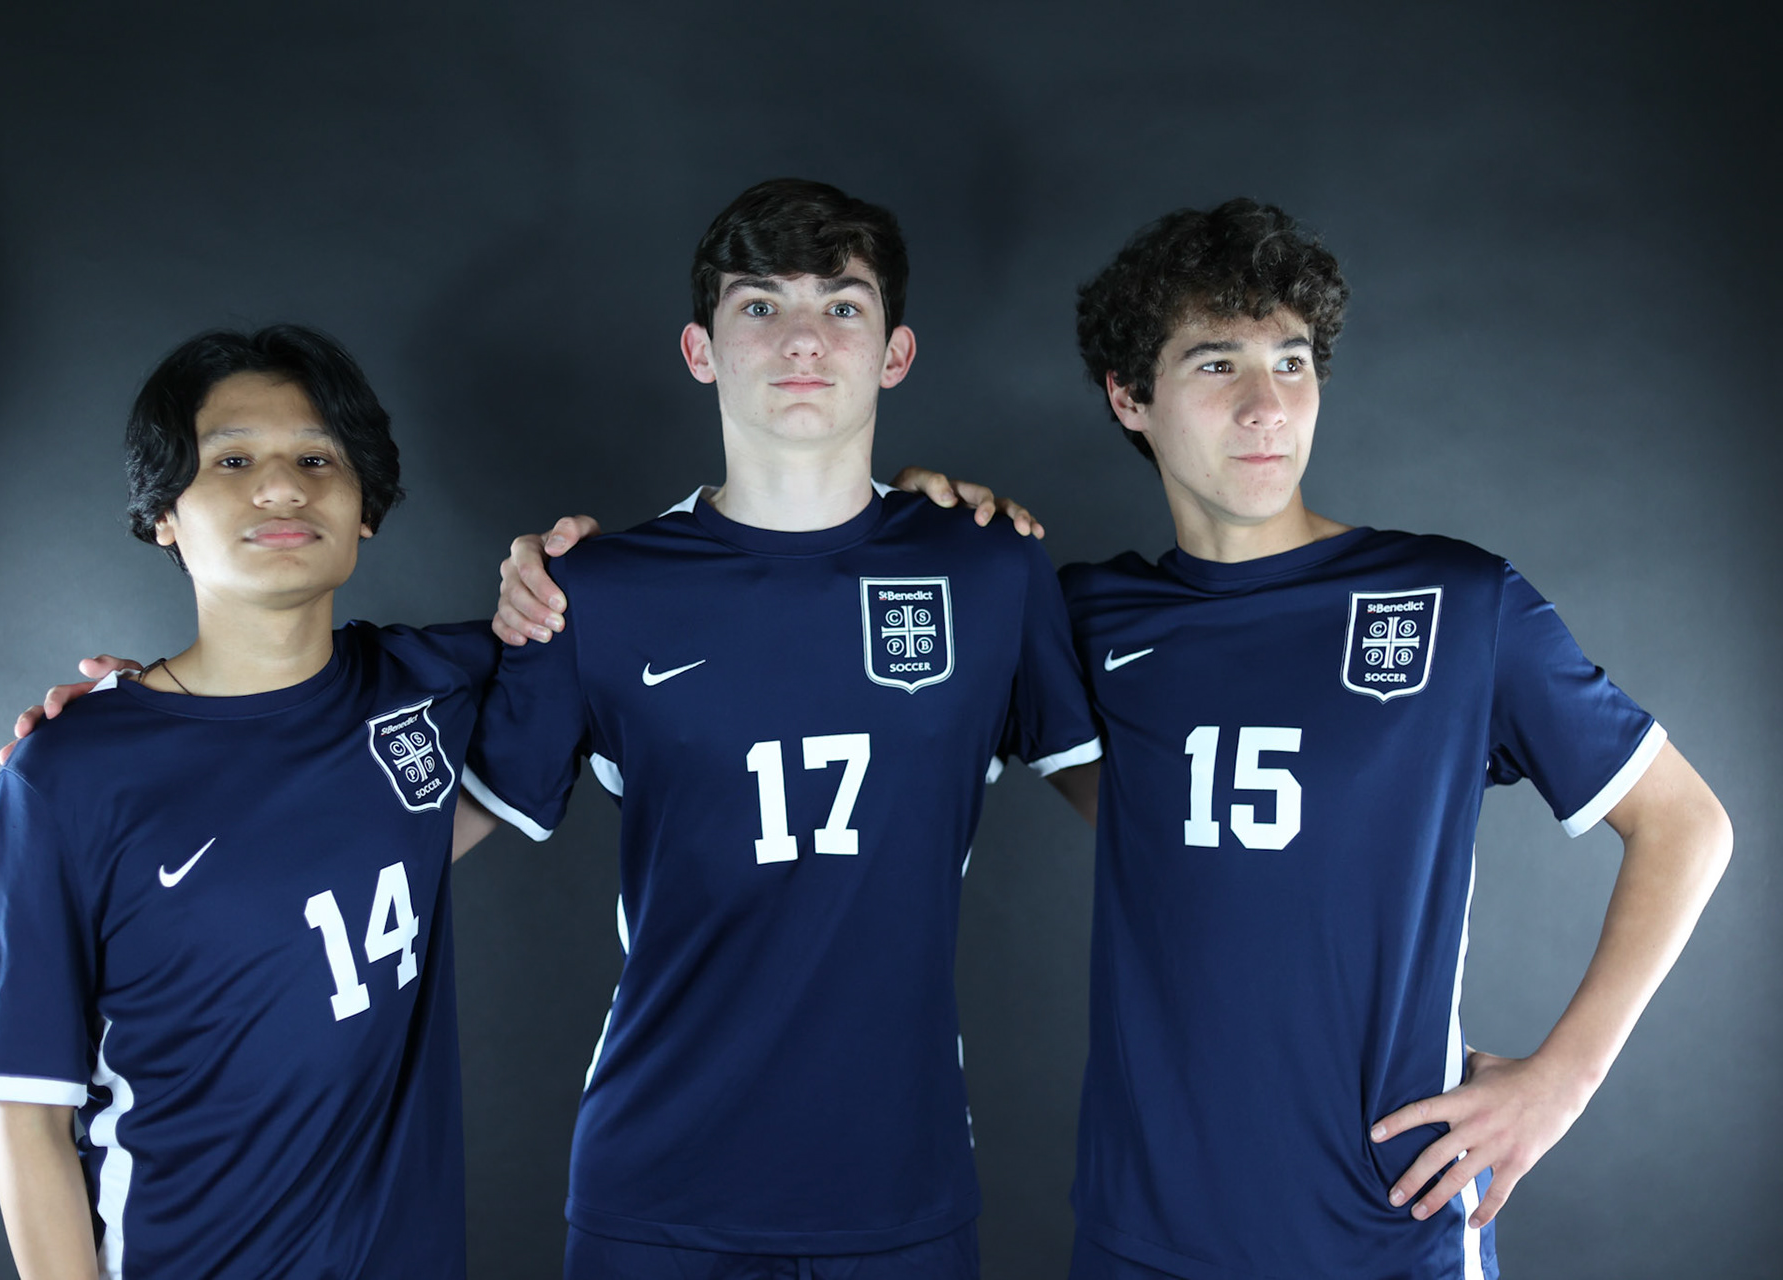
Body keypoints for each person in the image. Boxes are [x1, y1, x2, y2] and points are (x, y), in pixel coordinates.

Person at [1057, 199, 1732, 1279]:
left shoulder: (1458, 602)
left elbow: (1688, 824)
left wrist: (1563, 1079)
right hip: (1147, 1231)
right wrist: (928, 510)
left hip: (1386, 1226)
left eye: (1291, 359)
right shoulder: (1082, 621)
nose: (1267, 403)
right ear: (1130, 397)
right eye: (1217, 364)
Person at [467, 177, 1102, 1279]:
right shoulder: (593, 587)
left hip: (897, 1189)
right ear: (700, 349)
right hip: (655, 1190)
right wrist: (180, 703)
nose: (803, 337)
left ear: (894, 353)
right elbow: (423, 830)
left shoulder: (988, 568)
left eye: (842, 305)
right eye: (760, 305)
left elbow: (1168, 826)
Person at [0, 326, 508, 1279]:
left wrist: (559, 558)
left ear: (365, 505)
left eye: (315, 457)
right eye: (233, 459)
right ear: (164, 513)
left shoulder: (429, 688)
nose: (283, 487)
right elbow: (28, 1117)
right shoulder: (66, 775)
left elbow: (600, 639)